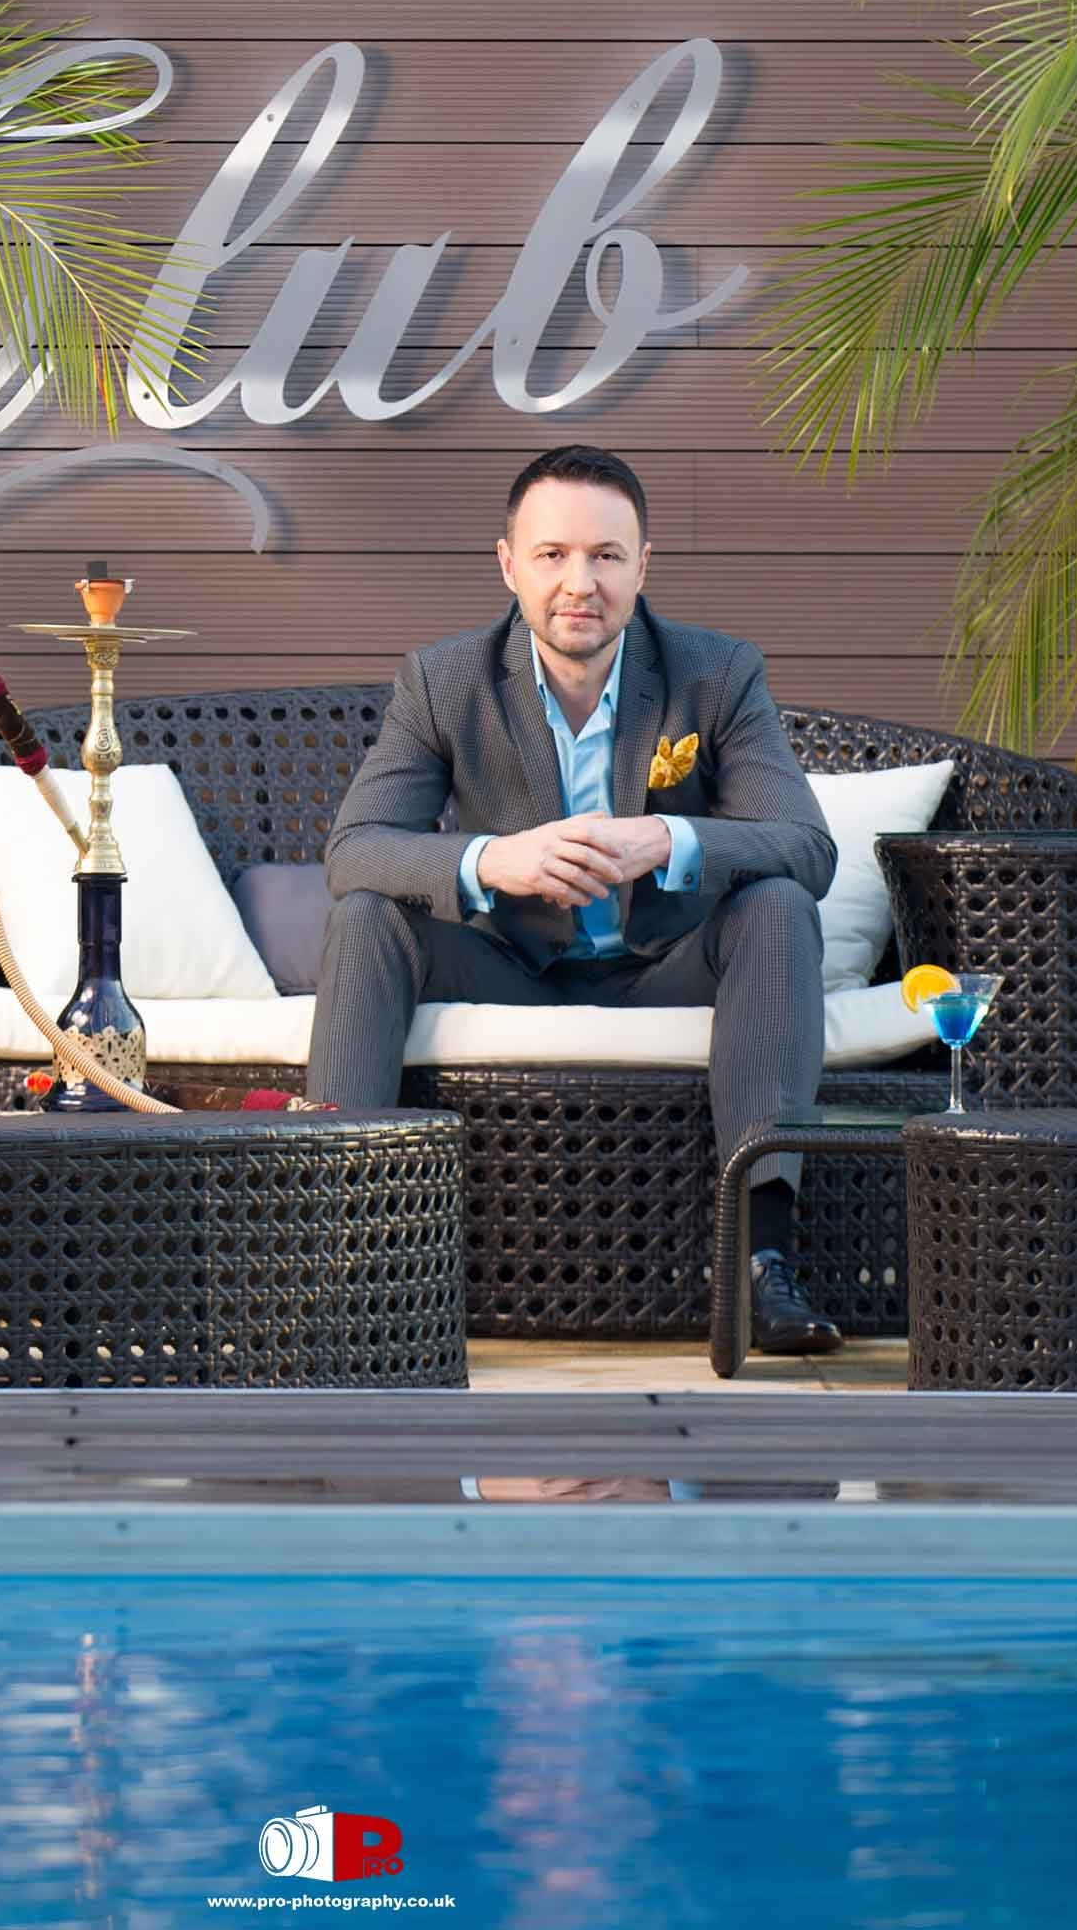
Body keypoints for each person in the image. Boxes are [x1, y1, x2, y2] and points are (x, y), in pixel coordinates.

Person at [306, 442, 844, 1355]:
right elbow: (355, 850)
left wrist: (666, 838)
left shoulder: (716, 674)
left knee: (781, 902)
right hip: (508, 961)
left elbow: (807, 846)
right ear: (509, 563)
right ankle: (336, 1259)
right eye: (553, 554)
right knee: (366, 914)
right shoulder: (444, 681)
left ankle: (764, 1265)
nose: (579, 582)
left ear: (644, 565)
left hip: (665, 964)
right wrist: (492, 859)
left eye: (605, 555)